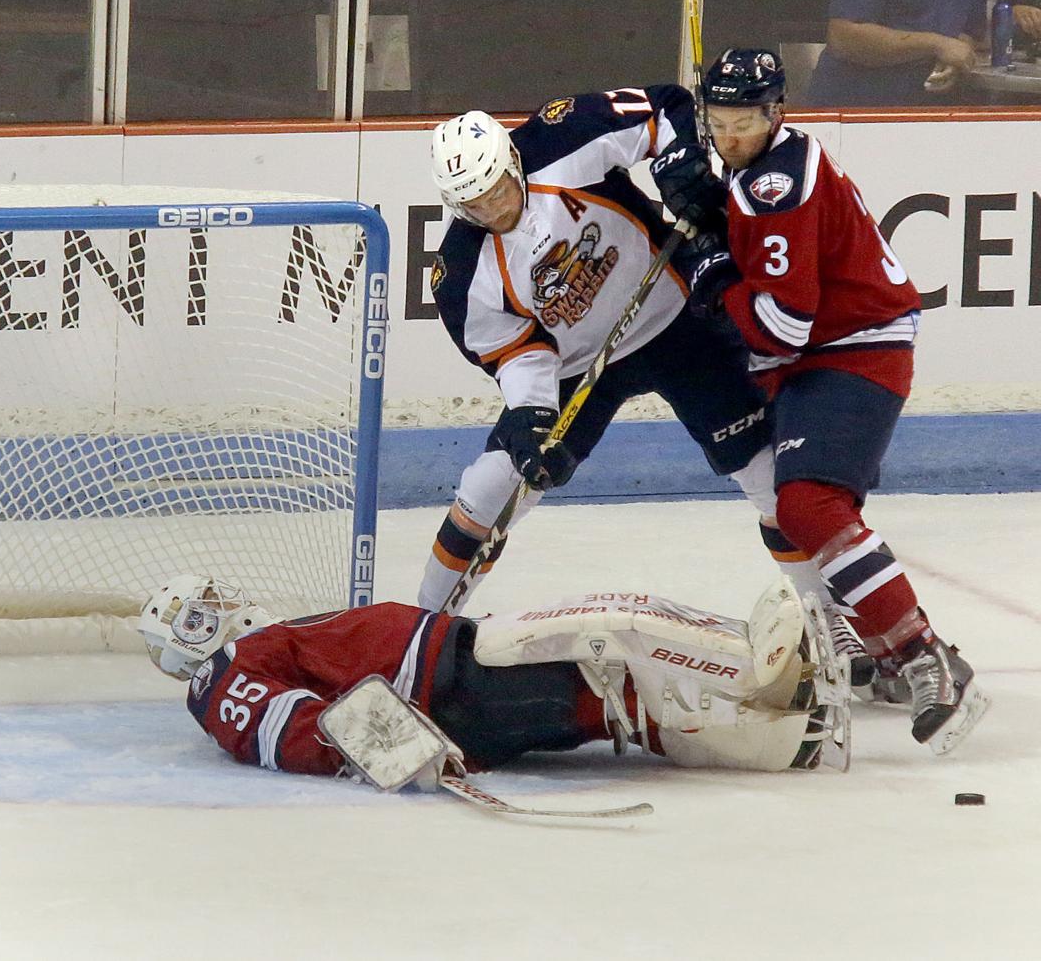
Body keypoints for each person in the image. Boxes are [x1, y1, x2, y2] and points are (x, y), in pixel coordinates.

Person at [689, 47, 990, 755]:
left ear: (776, 114)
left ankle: (922, 655)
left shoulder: (776, 187)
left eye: (745, 124)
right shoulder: (760, 171)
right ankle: (867, 646)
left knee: (808, 504)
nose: (731, 139)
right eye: (719, 124)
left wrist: (717, 280)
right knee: (780, 504)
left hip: (855, 346)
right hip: (821, 352)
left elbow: (786, 328)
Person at [417, 85, 781, 615]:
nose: (493, 208)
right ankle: (420, 631)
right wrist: (532, 413)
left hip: (676, 317)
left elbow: (669, 110)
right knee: (491, 488)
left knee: (767, 472)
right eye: (474, 203)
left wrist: (682, 164)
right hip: (578, 365)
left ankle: (834, 618)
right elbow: (517, 351)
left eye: (496, 189)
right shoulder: (461, 274)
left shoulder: (564, 134)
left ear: (511, 161)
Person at [137, 574, 853, 784]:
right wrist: (393, 751)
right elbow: (282, 731)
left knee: (615, 702)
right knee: (613, 621)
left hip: (452, 683)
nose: (226, 606)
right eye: (206, 609)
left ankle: (787, 739)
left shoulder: (243, 662)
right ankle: (754, 661)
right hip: (451, 684)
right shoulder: (222, 678)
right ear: (189, 635)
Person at [805, 0, 993, 106]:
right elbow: (843, 37)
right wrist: (937, 44)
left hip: (931, 109)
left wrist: (954, 59)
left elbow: (971, 31)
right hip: (854, 111)